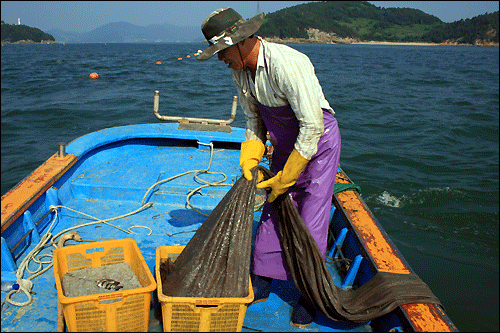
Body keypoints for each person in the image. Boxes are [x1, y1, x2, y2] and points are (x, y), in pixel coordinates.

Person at [197, 7, 341, 327]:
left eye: (222, 51)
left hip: (316, 146)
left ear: (241, 42)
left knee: (310, 216)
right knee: (274, 208)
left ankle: (309, 293)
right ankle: (262, 277)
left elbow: (313, 126)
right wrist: (250, 156)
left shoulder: (289, 63)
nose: (221, 59)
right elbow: (253, 118)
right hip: (284, 143)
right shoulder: (240, 70)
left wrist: (289, 176)